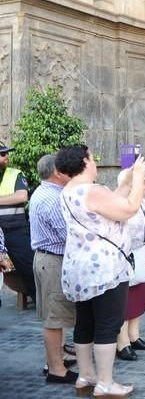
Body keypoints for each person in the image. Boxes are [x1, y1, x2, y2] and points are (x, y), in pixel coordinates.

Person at [56, 144, 145, 398]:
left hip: (79, 268)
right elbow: (128, 208)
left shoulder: (69, 190)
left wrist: (127, 182)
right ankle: (105, 382)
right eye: (92, 158)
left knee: (85, 323)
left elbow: (110, 204)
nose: (95, 162)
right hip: (105, 268)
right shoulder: (92, 190)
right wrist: (137, 179)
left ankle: (86, 375)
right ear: (84, 162)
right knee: (108, 324)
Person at [28, 154, 77, 384]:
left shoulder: (46, 192)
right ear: (57, 172)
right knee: (54, 318)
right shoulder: (53, 199)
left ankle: (57, 360)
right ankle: (56, 369)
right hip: (53, 261)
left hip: (48, 259)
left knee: (55, 315)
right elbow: (68, 236)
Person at [115, 169, 145, 362]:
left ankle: (134, 335)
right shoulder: (121, 204)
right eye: (143, 182)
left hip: (142, 255)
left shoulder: (143, 202)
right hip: (127, 256)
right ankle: (122, 342)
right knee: (125, 300)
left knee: (139, 296)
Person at [0, 141, 35, 302]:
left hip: (15, 230)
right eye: (2, 154)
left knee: (29, 267)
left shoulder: (15, 174)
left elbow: (21, 196)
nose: (6, 156)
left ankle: (39, 301)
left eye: (6, 153)